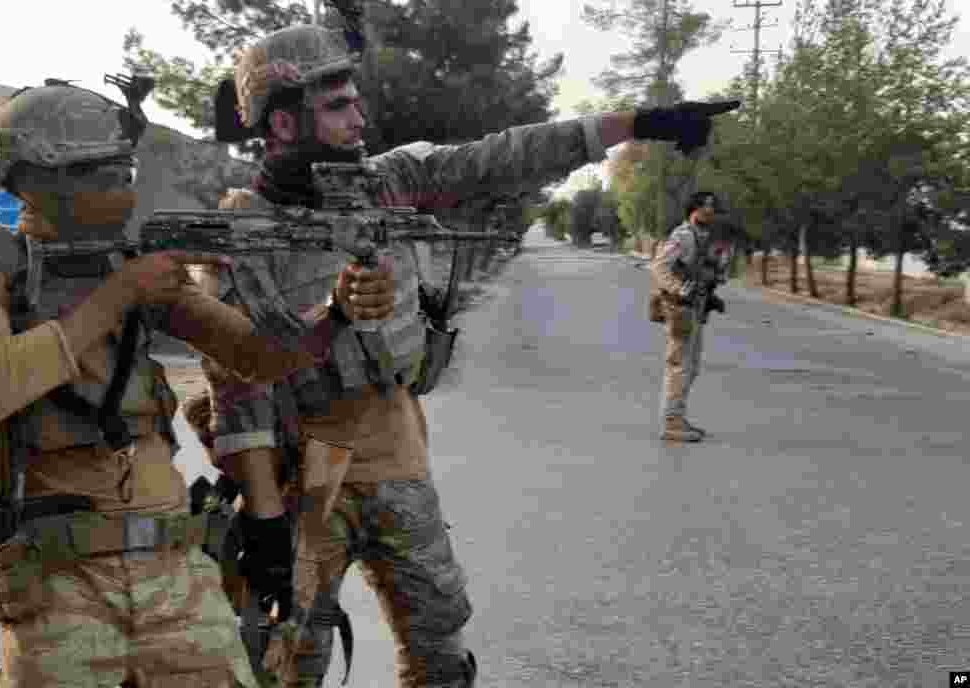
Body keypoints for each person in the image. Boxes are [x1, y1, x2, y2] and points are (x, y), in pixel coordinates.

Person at [188, 21, 739, 688]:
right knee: (288, 659)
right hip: (298, 465)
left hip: (394, 445)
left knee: (439, 642)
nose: (359, 117)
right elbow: (236, 390)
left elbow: (501, 156)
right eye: (336, 106)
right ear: (279, 125)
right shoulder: (235, 235)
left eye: (356, 99)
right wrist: (269, 523)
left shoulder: (385, 183)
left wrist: (641, 122)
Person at [0, 78, 322, 688]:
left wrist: (337, 313)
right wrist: (122, 294)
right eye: (100, 172)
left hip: (177, 574)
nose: (124, 188)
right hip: (53, 586)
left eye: (124, 169)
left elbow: (259, 359)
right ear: (36, 181)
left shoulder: (132, 264)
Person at [650, 191, 732, 442]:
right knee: (680, 366)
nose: (712, 211)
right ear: (694, 209)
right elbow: (658, 267)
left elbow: (704, 273)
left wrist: (711, 294)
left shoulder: (703, 238)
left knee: (691, 367)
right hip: (681, 309)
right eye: (708, 206)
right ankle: (672, 422)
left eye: (714, 207)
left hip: (696, 309)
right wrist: (679, 289)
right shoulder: (684, 235)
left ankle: (677, 416)